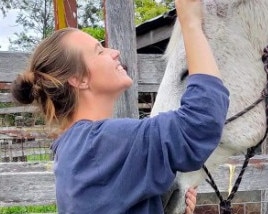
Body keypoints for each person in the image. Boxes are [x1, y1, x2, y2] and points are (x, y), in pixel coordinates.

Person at [11, 0, 229, 213]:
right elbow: (200, 123)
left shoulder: (76, 148)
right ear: (79, 80)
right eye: (99, 51)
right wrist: (190, 24)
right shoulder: (99, 144)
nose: (113, 52)